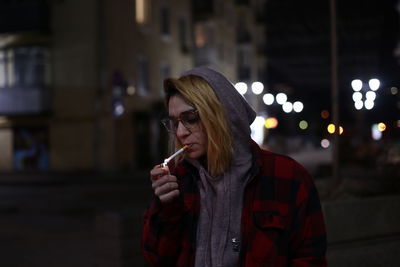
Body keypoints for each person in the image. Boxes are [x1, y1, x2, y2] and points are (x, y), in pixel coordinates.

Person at [141, 67, 327, 267]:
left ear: (222, 115)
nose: (180, 133)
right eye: (175, 123)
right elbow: (155, 258)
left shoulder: (288, 177)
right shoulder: (179, 179)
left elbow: (310, 259)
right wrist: (167, 208)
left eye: (191, 119)